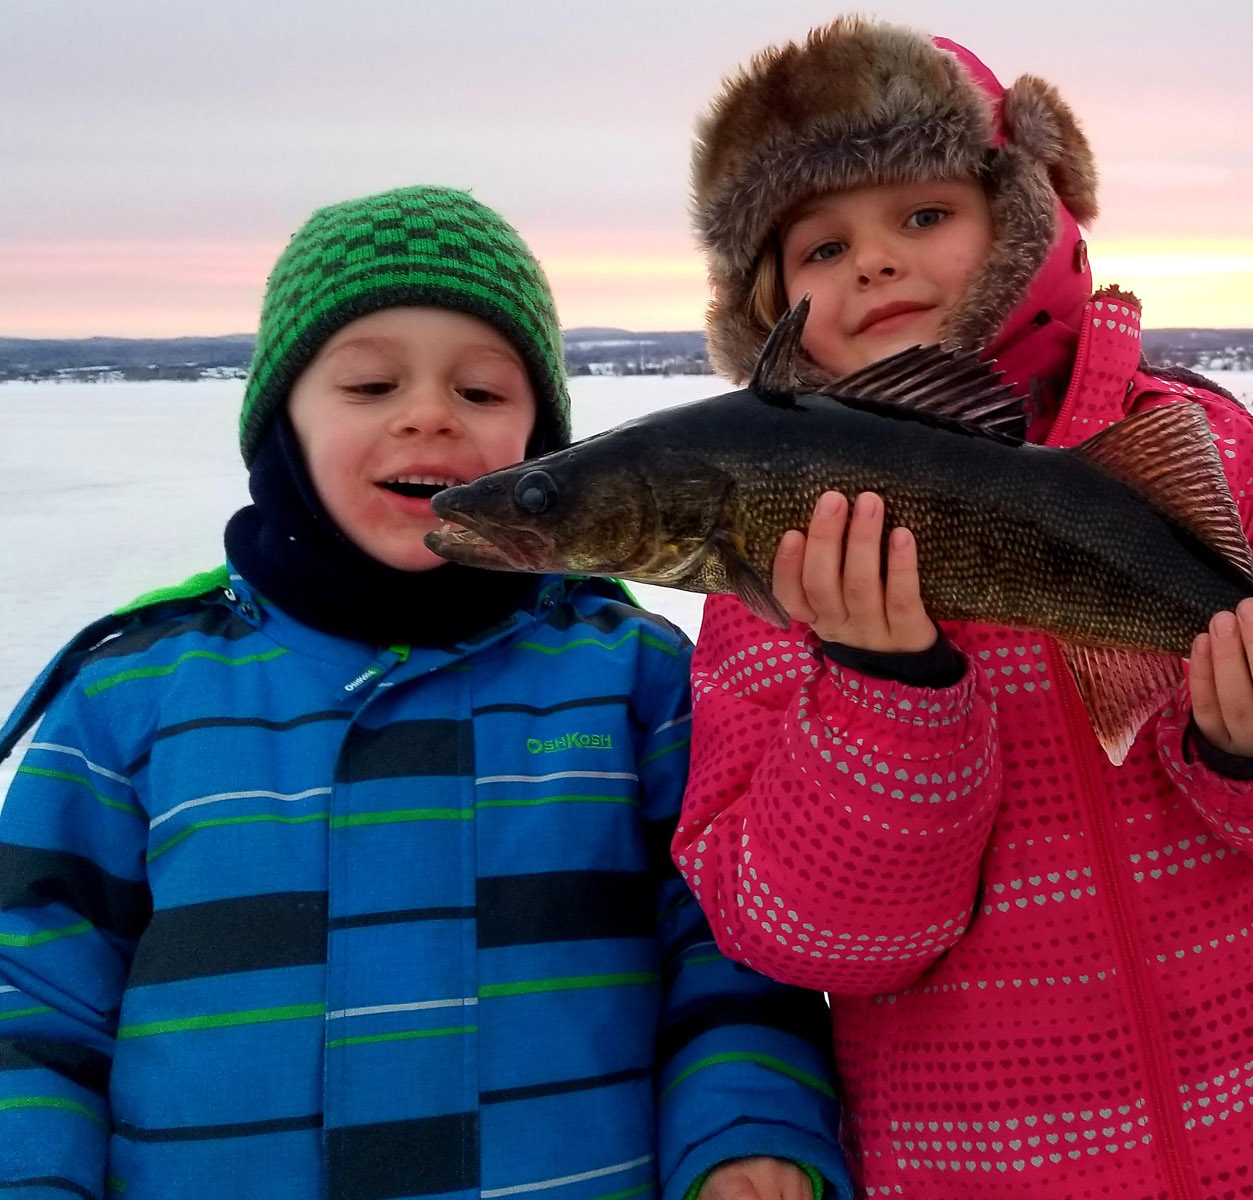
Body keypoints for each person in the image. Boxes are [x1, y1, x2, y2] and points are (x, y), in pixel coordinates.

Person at [674, 19, 1253, 1199]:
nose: (873, 263)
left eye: (923, 216)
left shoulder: (1202, 447)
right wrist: (883, 693)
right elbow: (802, 935)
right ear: (769, 299)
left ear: (1024, 219)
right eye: (820, 245)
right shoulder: (775, 575)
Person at [0, 185, 849, 1200]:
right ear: (282, 423)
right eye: (367, 385)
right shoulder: (128, 695)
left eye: (483, 393)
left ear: (542, 442)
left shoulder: (632, 678)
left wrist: (746, 1130)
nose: (429, 415)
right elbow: (27, 1001)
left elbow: (732, 948)